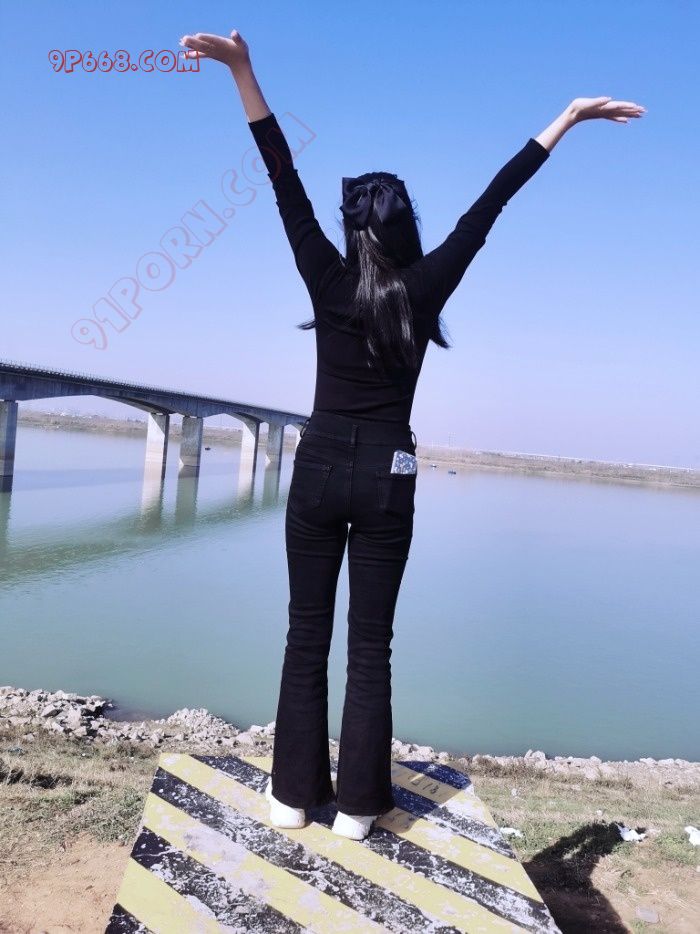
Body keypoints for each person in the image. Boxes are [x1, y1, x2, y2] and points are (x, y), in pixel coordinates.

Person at [180, 28, 645, 840]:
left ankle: (291, 798)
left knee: (304, 636)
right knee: (371, 647)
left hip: (320, 465)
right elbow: (490, 205)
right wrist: (565, 121)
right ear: (405, 232)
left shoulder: (326, 279)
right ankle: (359, 808)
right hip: (389, 475)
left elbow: (281, 176)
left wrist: (242, 71)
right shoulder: (427, 286)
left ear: (352, 230)